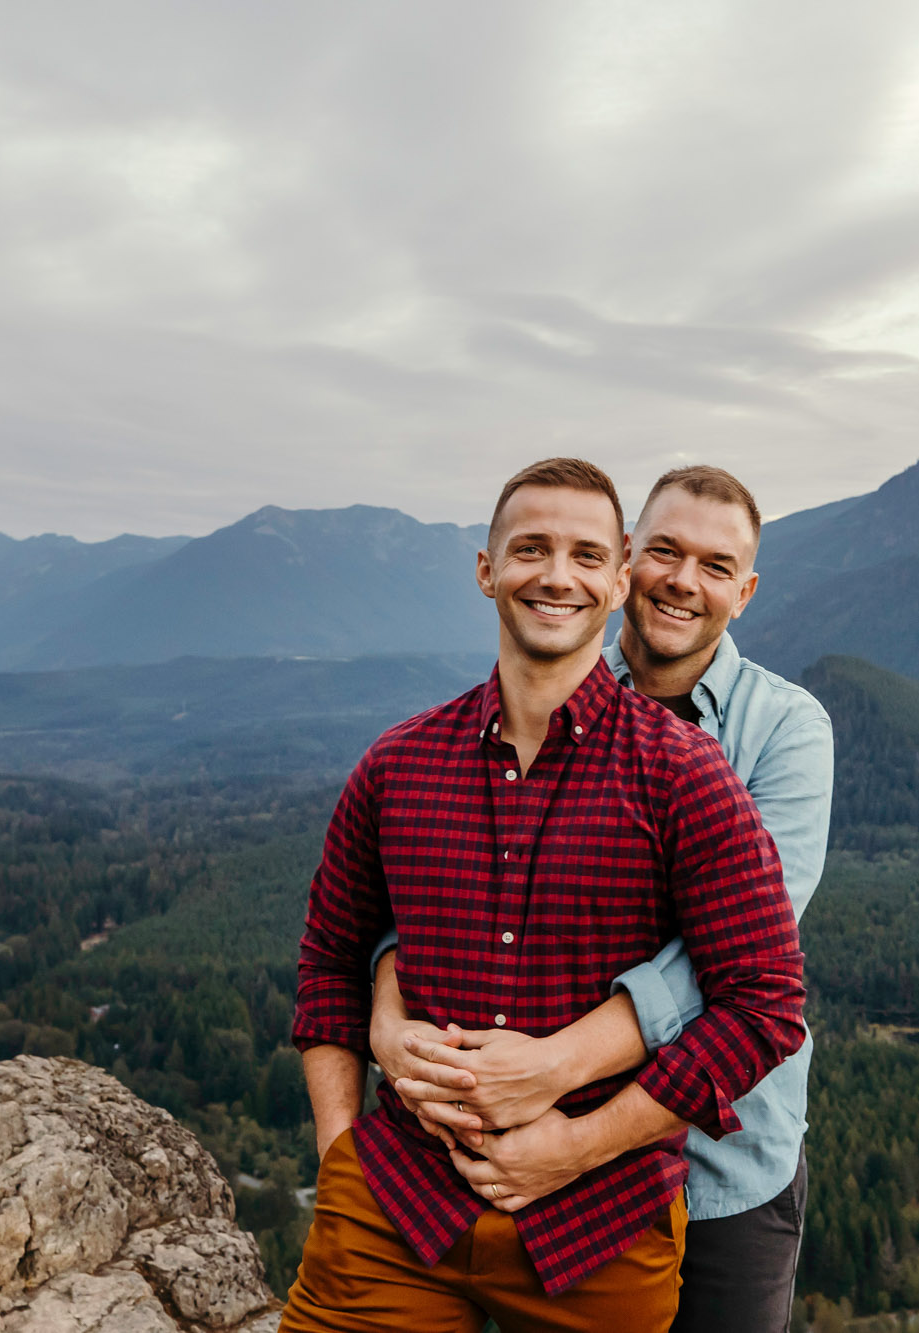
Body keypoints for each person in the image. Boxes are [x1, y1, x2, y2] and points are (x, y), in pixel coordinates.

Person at [285, 458, 806, 1332]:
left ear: (614, 580)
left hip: (598, 1224)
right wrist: (341, 1152)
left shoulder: (684, 774)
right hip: (397, 1208)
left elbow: (764, 1002)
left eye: (583, 555)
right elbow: (332, 957)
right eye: (531, 548)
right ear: (487, 570)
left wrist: (577, 1143)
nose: (555, 574)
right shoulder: (398, 763)